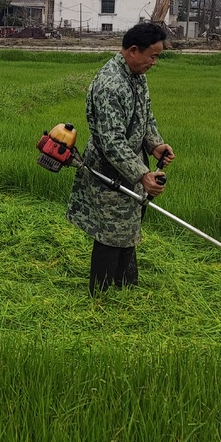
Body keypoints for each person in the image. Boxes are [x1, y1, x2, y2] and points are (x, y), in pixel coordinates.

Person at [66, 23, 174, 295]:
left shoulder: (137, 76)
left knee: (129, 224)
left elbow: (145, 116)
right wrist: (142, 174)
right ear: (133, 51)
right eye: (152, 56)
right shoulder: (111, 85)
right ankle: (100, 294)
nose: (154, 62)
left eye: (157, 56)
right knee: (112, 231)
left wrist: (155, 145)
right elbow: (111, 141)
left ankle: (125, 286)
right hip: (108, 167)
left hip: (132, 162)